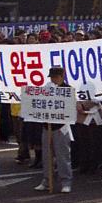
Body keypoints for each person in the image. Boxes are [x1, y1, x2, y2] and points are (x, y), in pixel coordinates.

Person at [36, 66, 74, 194]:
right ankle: (47, 180)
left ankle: (66, 181)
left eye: (56, 77)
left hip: (61, 127)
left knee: (62, 156)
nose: (53, 79)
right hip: (47, 126)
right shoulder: (46, 89)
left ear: (62, 76)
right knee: (47, 155)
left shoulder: (67, 90)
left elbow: (70, 109)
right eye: (52, 77)